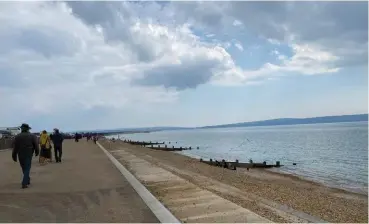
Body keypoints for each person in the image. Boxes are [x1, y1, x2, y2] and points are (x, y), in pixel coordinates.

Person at [12, 123, 39, 189]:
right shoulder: (32, 136)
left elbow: (15, 147)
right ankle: (24, 182)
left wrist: (14, 155)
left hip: (20, 153)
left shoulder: (17, 136)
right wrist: (37, 152)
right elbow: (36, 145)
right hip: (28, 153)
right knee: (27, 168)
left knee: (24, 168)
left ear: (22, 129)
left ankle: (27, 179)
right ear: (28, 129)